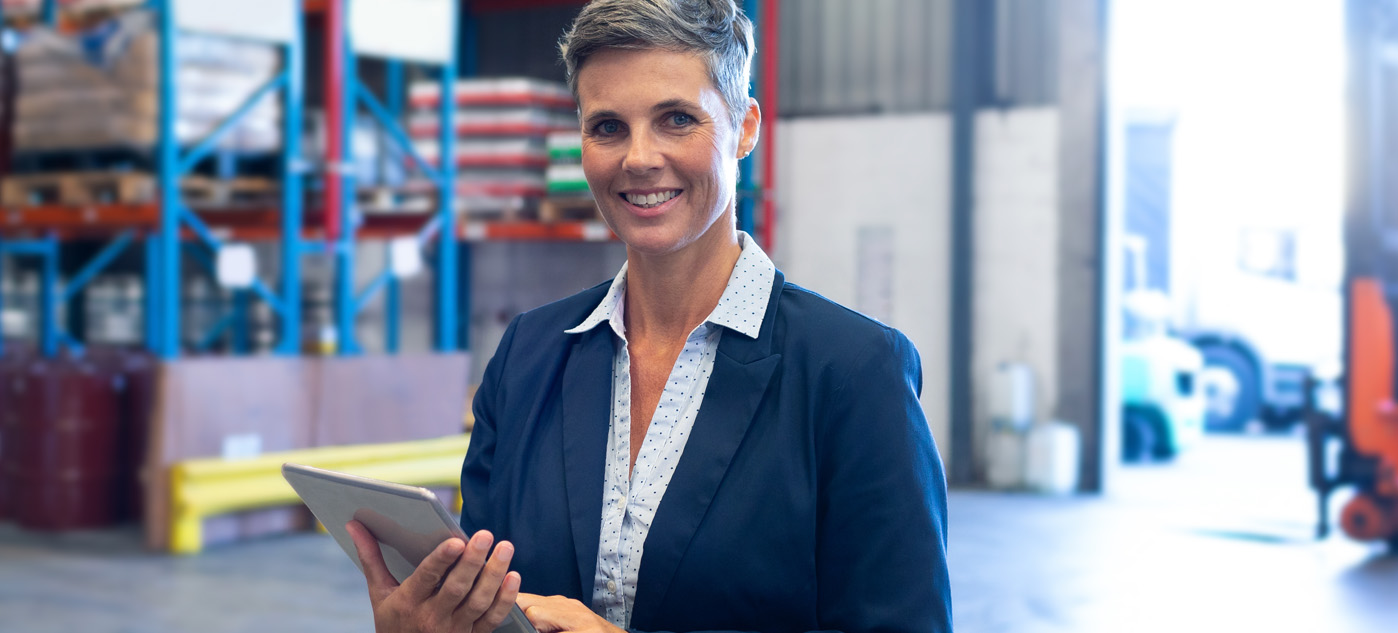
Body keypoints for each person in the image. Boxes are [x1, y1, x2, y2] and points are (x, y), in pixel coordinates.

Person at [347, 1, 951, 631]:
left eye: (677, 120)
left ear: (745, 128)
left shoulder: (853, 372)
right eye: (607, 127)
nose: (638, 158)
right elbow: (489, 607)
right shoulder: (528, 355)